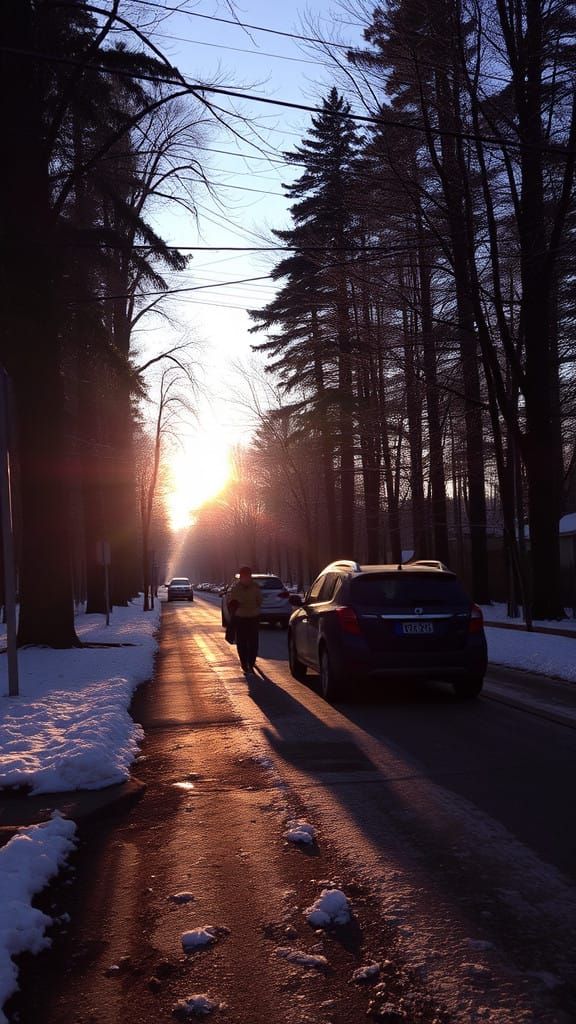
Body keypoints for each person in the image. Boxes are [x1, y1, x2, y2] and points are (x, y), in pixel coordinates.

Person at [226, 566, 262, 673]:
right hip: (243, 618)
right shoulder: (253, 587)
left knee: (251, 642)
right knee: (244, 642)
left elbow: (232, 602)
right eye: (244, 576)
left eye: (246, 576)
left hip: (251, 618)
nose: (245, 578)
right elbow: (259, 601)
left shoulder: (237, 588)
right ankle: (245, 663)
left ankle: (249, 662)